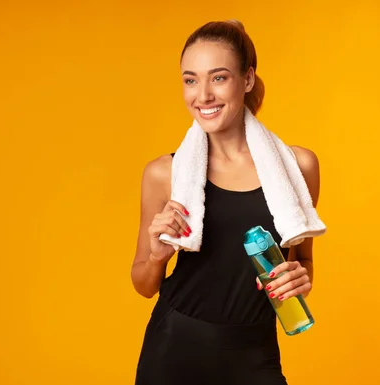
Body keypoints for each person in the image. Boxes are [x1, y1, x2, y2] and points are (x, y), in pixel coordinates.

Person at [131, 20, 321, 385]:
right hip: (175, 349)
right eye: (190, 80)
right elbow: (143, 284)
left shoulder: (299, 168)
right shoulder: (164, 173)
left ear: (247, 79)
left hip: (256, 351)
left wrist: (301, 278)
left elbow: (304, 261)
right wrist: (158, 256)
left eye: (218, 78)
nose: (202, 95)